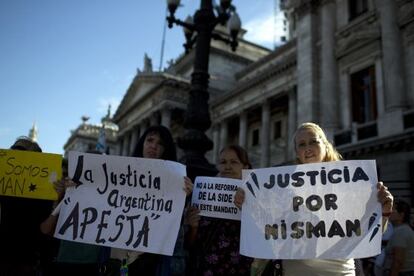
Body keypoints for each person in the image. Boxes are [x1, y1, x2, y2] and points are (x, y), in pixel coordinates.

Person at [234, 122, 394, 276]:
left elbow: (368, 230)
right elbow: (268, 226)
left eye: (313, 142)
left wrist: (384, 212)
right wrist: (247, 205)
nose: (308, 148)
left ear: (325, 145)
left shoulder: (350, 184)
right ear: (296, 152)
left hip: (340, 271)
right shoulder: (282, 187)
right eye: (301, 144)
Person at [109, 125, 193, 276]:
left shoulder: (176, 181)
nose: (154, 146)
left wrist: (184, 198)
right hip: (119, 254)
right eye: (150, 140)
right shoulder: (120, 176)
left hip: (151, 257)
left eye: (160, 143)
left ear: (165, 149)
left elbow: (176, 226)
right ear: (142, 144)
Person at [187, 145, 254, 275]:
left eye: (234, 162)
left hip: (240, 270)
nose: (227, 167)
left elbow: (262, 239)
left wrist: (249, 212)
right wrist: (193, 226)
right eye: (223, 162)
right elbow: (189, 245)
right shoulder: (202, 194)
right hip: (203, 270)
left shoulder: (256, 197)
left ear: (245, 167)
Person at [0, 136, 55, 276]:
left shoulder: (44, 194)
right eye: (14, 154)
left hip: (27, 262)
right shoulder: (3, 187)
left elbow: (45, 230)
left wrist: (58, 198)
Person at [383, 200, 414, 276]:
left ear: (401, 215)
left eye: (393, 210)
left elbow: (398, 260)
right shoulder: (403, 229)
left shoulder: (401, 232)